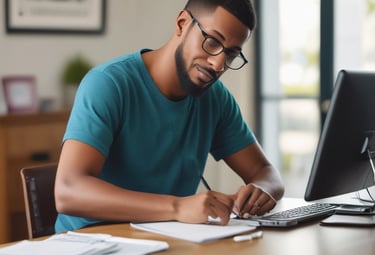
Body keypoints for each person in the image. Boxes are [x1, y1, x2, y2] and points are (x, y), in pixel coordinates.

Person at [54, 0, 284, 233]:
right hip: (93, 242)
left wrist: (262, 189)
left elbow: (266, 172)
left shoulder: (216, 99)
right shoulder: (108, 84)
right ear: (182, 23)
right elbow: (68, 191)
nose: (218, 64)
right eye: (212, 42)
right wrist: (177, 207)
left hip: (168, 240)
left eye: (232, 54)